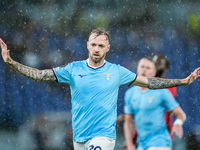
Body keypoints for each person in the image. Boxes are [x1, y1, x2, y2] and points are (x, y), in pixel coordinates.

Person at [0, 28, 200, 150]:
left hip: (103, 135)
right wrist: (11, 63)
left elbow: (150, 83)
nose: (96, 49)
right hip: (79, 136)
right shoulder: (73, 69)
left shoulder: (117, 71)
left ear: (108, 48)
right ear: (87, 45)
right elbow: (38, 75)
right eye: (93, 44)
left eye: (101, 46)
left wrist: (181, 81)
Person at [123, 57, 186, 150]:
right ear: (137, 69)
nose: (144, 70)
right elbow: (128, 121)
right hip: (141, 144)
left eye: (148, 68)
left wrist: (178, 123)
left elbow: (181, 115)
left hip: (160, 141)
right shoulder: (130, 94)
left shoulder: (162, 92)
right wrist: (129, 143)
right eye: (142, 66)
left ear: (154, 73)